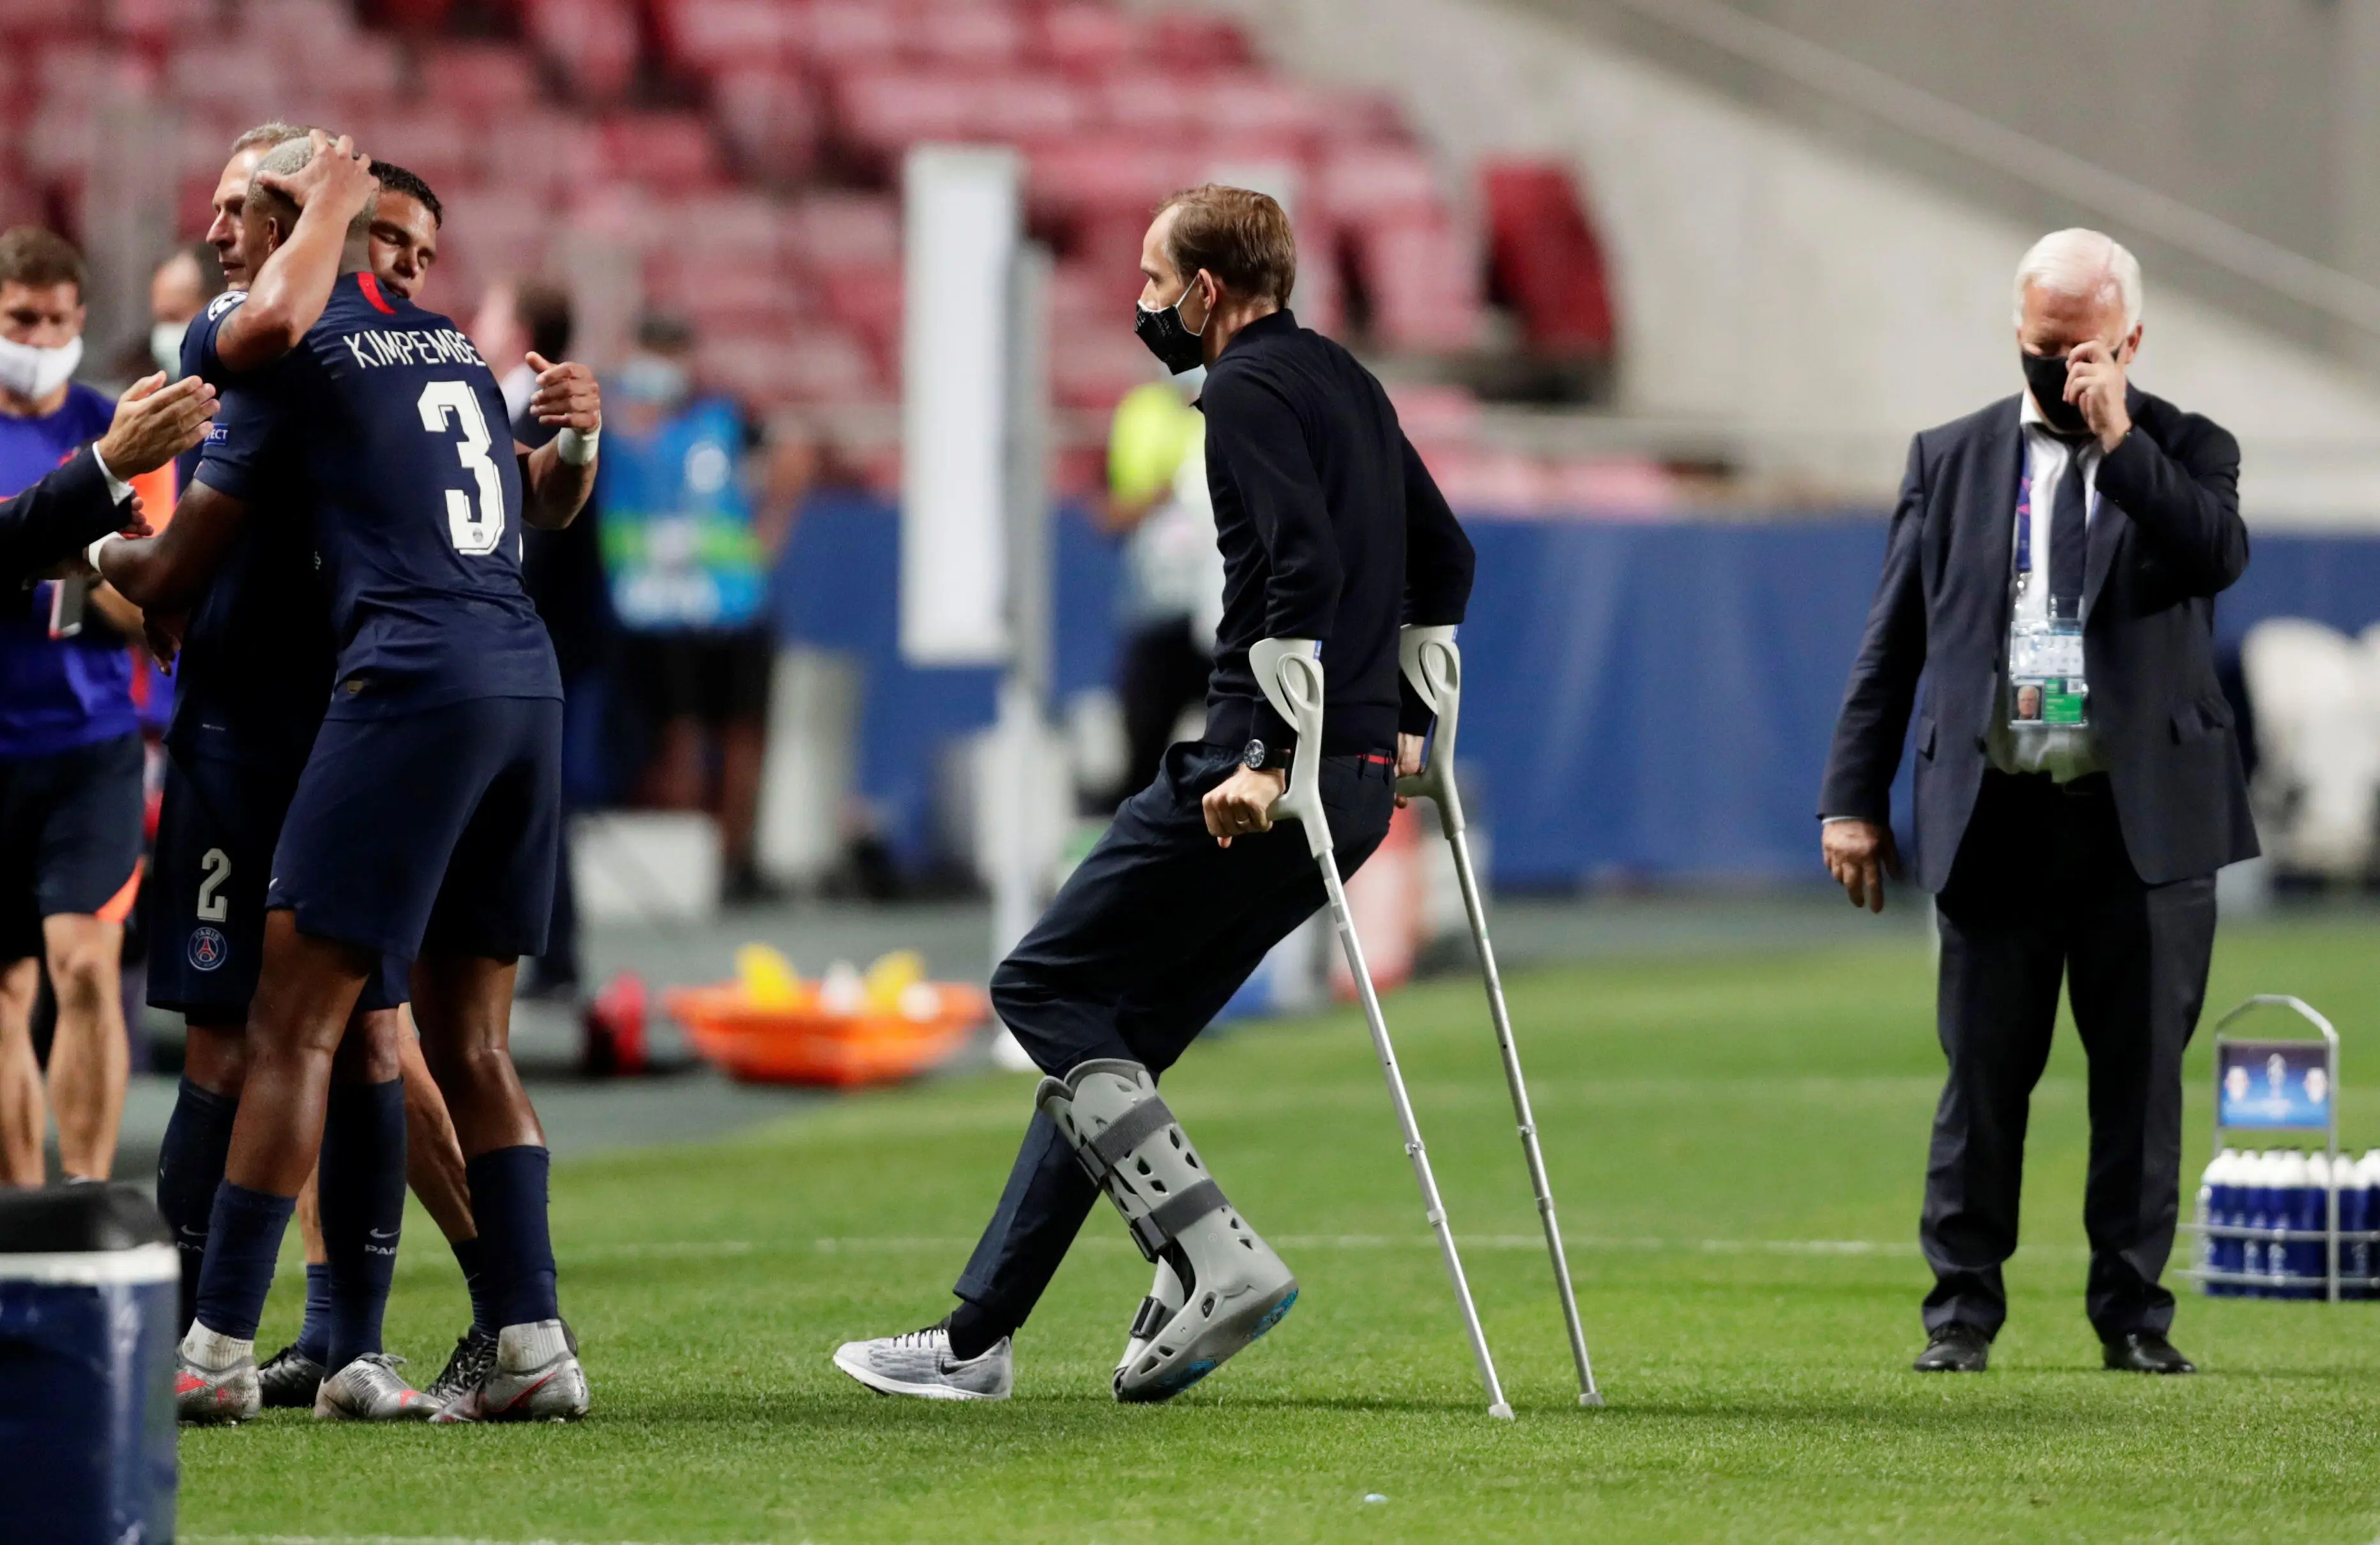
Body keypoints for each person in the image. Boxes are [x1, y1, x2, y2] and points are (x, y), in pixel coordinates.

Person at [833, 185, 1475, 1403]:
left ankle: (1212, 1254)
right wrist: (1411, 732)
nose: (1140, 305)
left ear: (1207, 291)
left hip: (1255, 767)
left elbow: (1302, 563)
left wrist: (1266, 761)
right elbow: (1443, 556)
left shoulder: (1235, 392)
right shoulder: (1346, 376)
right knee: (1106, 1050)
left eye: (1149, 281)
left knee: (1034, 984)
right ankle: (978, 1338)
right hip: (1352, 785)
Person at [123, 130, 599, 1426]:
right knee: (468, 1040)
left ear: (290, 225)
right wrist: (581, 451)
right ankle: (525, 1336)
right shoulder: (444, 345)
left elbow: (172, 563)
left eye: (244, 214)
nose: (219, 239)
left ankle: (213, 1347)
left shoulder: (282, 341)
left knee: (291, 1025)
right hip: (520, 679)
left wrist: (88, 547)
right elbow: (529, 503)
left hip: (392, 690)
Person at [1818, 229, 2253, 1377]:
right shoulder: (1950, 458)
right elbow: (1891, 642)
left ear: (2130, 343)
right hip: (1997, 811)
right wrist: (1848, 799)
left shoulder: (2187, 447)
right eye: (2040, 349)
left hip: (2137, 823)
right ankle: (1959, 1311)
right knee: (1981, 1078)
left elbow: (2214, 555)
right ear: (2016, 334)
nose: (2060, 372)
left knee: (2141, 1082)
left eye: (2085, 353)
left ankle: (2132, 1316)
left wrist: (2119, 443)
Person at [0, 227, 155, 1186]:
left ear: (81, 319)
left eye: (57, 319)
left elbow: (154, 598)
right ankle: (20, 1224)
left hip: (89, 745)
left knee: (87, 967)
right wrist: (75, 555)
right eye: (21, 318)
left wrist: (52, 564)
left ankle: (87, 1197)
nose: (41, 333)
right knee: (3, 993)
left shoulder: (121, 431)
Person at [597, 312, 791, 899]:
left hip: (732, 605)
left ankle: (732, 865)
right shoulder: (606, 422)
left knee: (742, 737)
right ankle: (682, 870)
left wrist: (768, 532)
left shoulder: (722, 416)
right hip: (650, 610)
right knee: (674, 739)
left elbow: (794, 456)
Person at [474, 277, 610, 997]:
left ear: (522, 327)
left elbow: (545, 538)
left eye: (492, 310)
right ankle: (540, 950)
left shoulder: (548, 409)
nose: (478, 320)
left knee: (539, 799)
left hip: (546, 642)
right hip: (538, 642)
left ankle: (552, 953)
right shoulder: (499, 403)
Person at [1098, 370, 1223, 808]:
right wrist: (1166, 491)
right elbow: (1110, 512)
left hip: (1229, 613)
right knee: (1144, 750)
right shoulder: (1141, 411)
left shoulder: (1245, 405)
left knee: (1240, 748)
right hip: (1159, 611)